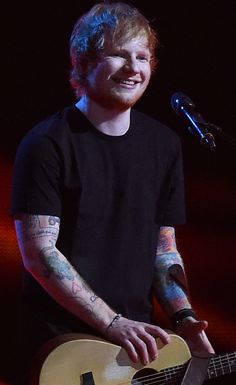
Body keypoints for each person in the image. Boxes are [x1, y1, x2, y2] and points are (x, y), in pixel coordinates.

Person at [11, 1, 214, 384]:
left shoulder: (164, 144)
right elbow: (40, 255)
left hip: (136, 345)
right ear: (84, 63)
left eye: (142, 56)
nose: (134, 68)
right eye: (119, 55)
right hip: (62, 344)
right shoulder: (48, 144)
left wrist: (183, 317)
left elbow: (163, 248)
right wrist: (112, 322)